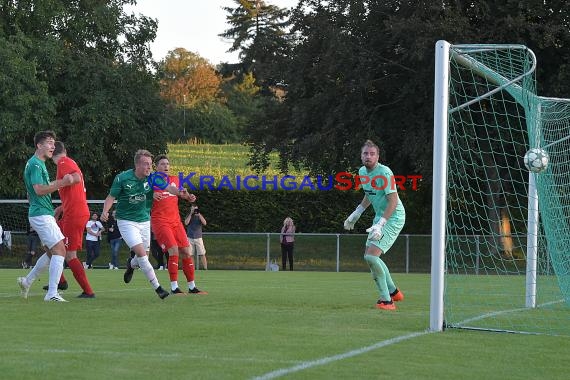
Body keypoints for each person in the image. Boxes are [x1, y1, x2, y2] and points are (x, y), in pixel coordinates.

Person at [343, 140, 405, 311]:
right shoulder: (362, 171)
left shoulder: (385, 172)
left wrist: (381, 224)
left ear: (378, 156)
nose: (368, 156)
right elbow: (369, 194)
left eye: (372, 154)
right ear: (361, 156)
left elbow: (393, 201)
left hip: (393, 217)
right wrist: (357, 213)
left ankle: (387, 301)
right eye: (365, 153)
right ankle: (393, 292)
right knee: (371, 257)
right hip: (380, 217)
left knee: (370, 257)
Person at [100, 149, 170, 299]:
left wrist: (181, 192)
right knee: (142, 254)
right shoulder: (122, 178)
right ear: (137, 165)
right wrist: (105, 211)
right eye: (146, 164)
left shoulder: (152, 178)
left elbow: (169, 188)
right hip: (126, 221)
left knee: (143, 255)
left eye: (150, 164)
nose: (149, 167)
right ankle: (158, 288)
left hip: (144, 220)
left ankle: (131, 265)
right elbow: (111, 197)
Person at [18, 131, 74, 302]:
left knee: (52, 252)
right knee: (60, 250)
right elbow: (38, 189)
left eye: (53, 143)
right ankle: (51, 294)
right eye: (49, 143)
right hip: (41, 214)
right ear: (39, 145)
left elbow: (32, 192)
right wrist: (62, 183)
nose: (53, 146)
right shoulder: (35, 164)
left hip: (41, 213)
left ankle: (27, 281)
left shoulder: (36, 163)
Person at [39, 141, 96, 298]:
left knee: (70, 255)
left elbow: (75, 178)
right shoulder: (67, 162)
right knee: (49, 243)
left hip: (75, 214)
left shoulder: (64, 162)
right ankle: (60, 281)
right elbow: (74, 191)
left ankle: (88, 291)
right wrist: (61, 208)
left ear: (52, 150)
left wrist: (61, 182)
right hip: (71, 212)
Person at [153, 154, 207, 294]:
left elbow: (184, 194)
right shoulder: (152, 179)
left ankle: (192, 287)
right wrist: (151, 194)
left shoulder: (175, 179)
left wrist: (190, 197)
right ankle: (174, 287)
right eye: (162, 164)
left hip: (176, 222)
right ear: (156, 167)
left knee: (186, 251)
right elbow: (143, 191)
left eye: (167, 164)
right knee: (174, 250)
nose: (166, 166)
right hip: (161, 221)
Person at [184, 204, 208, 270]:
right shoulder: (189, 215)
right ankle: (192, 268)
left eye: (196, 209)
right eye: (193, 209)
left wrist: (199, 214)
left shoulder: (199, 216)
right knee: (191, 254)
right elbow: (186, 223)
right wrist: (191, 213)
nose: (195, 210)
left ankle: (205, 268)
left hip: (198, 237)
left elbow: (205, 223)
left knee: (202, 253)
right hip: (190, 237)